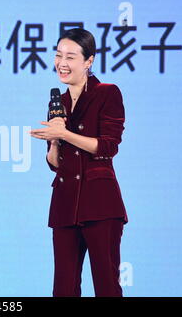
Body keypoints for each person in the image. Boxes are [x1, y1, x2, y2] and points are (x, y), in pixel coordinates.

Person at [30, 28, 127, 297]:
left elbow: (107, 147)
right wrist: (54, 140)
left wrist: (64, 133)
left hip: (100, 203)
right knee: (63, 289)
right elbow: (54, 162)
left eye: (71, 57)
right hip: (64, 205)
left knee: (106, 285)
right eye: (59, 55)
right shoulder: (57, 103)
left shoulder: (107, 93)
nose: (62, 63)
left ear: (89, 61)